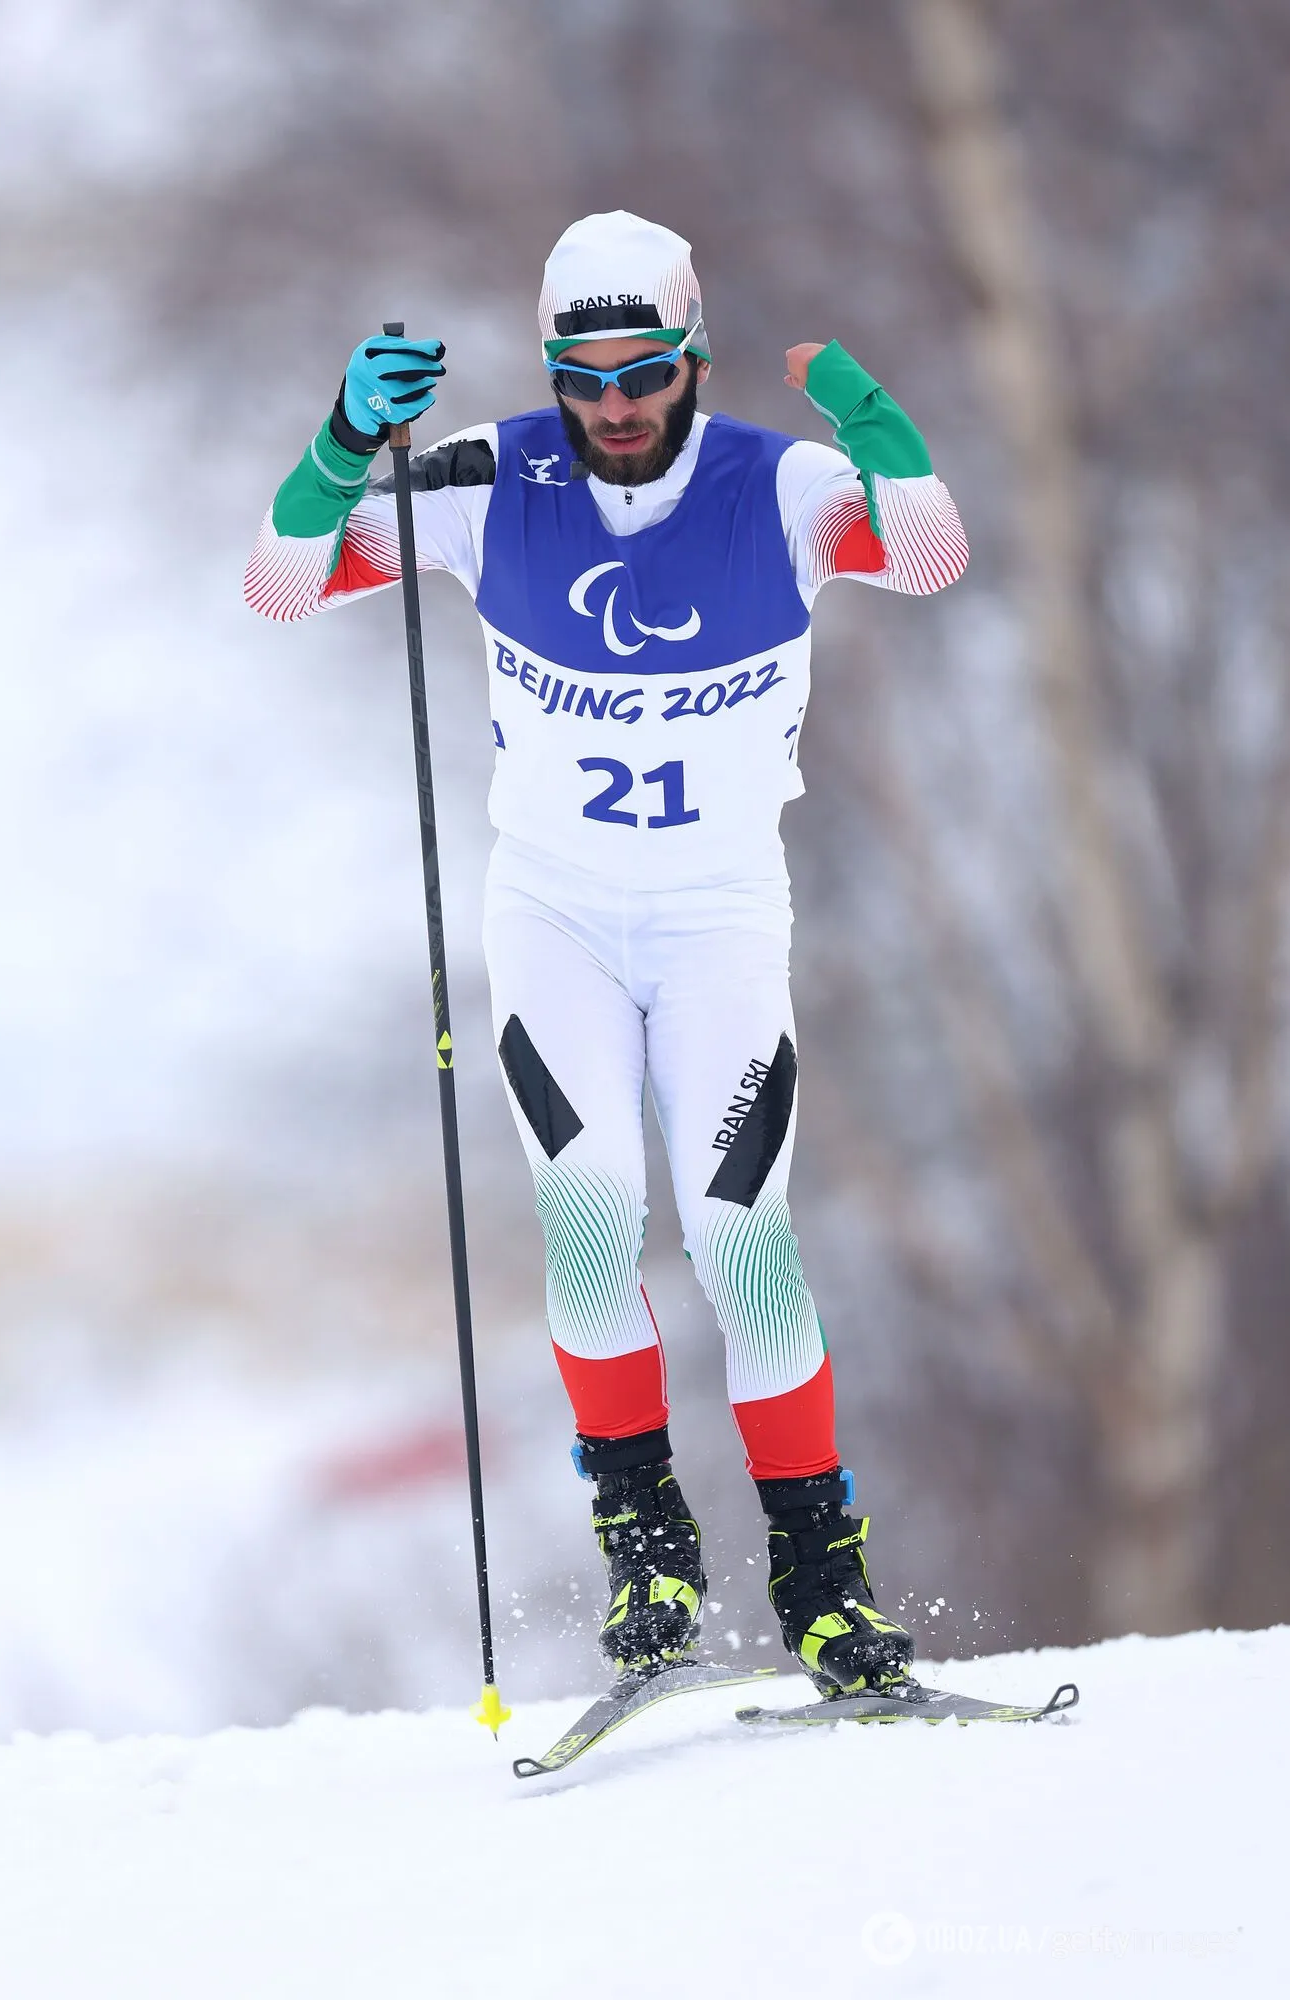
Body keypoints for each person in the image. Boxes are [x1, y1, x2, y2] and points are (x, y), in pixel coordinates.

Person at [246, 211, 968, 1697]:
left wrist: (881, 428)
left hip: (717, 921)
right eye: (583, 376)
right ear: (553, 368)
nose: (615, 406)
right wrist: (338, 441)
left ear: (692, 352)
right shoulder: (488, 483)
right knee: (588, 1226)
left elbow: (937, 555)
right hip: (558, 916)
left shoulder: (783, 486)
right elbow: (279, 581)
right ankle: (649, 1551)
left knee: (740, 1238)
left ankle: (823, 1583)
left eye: (642, 371)